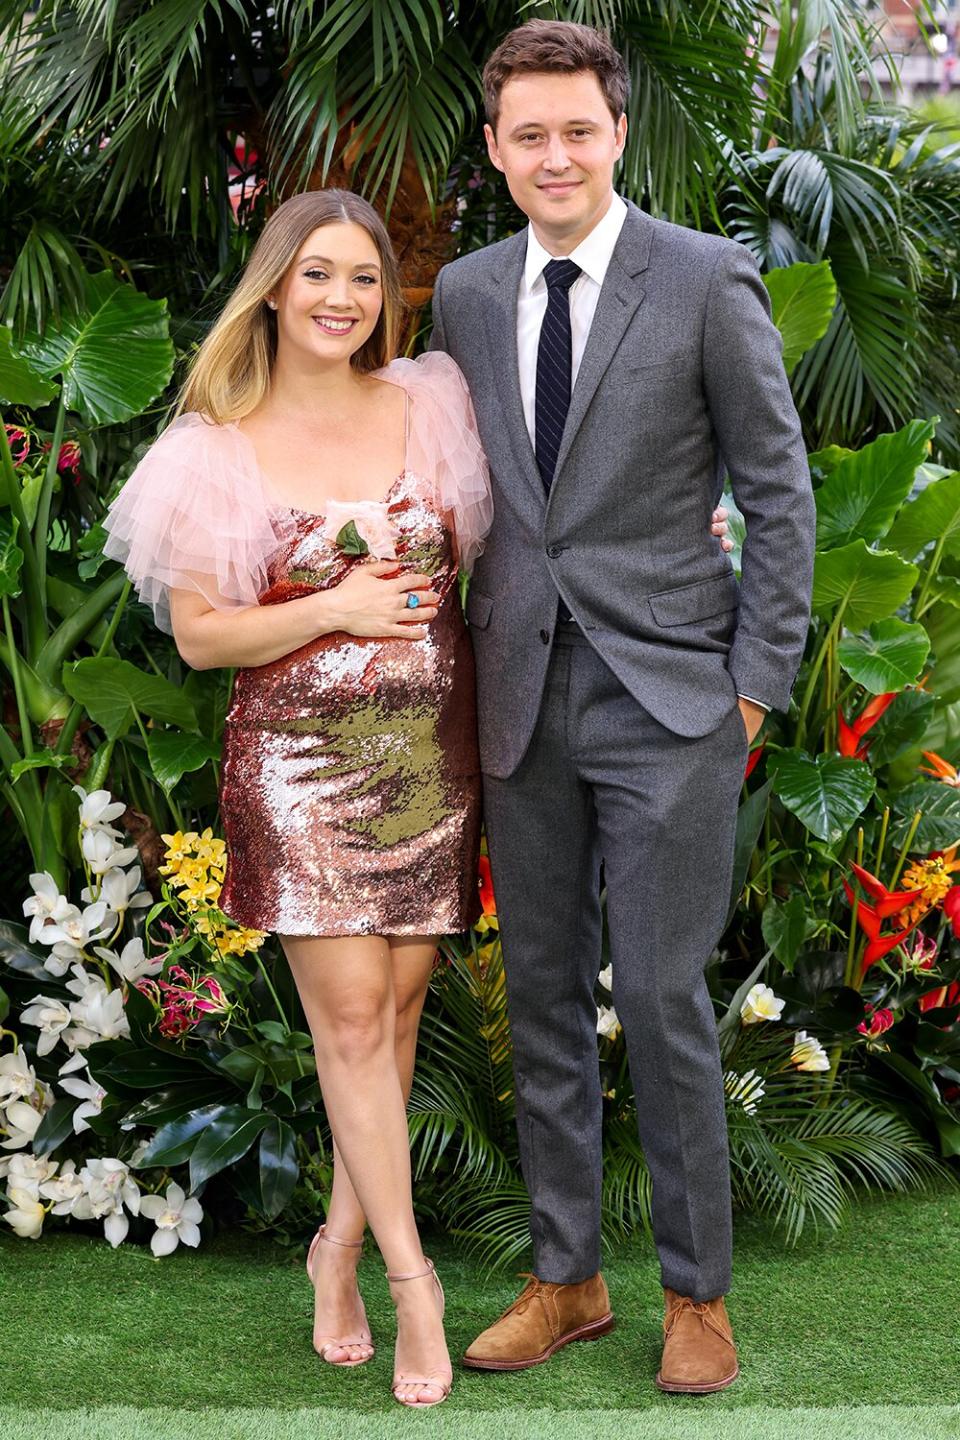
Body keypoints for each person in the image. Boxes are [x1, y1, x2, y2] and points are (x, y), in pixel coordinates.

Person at [429, 20, 815, 1393]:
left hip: (674, 703)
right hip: (520, 698)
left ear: (618, 134)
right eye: (527, 133)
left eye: (577, 129)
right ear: (495, 147)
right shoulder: (466, 295)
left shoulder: (707, 279)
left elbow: (779, 493)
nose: (554, 155)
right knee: (537, 997)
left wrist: (753, 693)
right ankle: (568, 1278)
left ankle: (697, 1296)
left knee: (659, 998)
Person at [102, 189, 494, 1409]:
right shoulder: (216, 444)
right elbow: (207, 638)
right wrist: (333, 607)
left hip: (429, 755)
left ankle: (335, 1247)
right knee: (353, 1025)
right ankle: (412, 1282)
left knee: (394, 1016)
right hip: (301, 764)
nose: (341, 299)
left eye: (364, 279)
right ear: (273, 286)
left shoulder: (428, 402)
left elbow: (494, 549)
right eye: (317, 274)